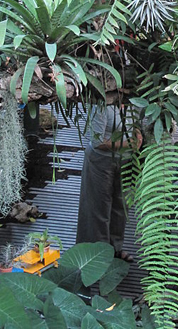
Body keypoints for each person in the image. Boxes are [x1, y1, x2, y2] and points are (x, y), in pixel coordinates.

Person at [76, 97, 142, 262]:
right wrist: (128, 144)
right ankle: (96, 256)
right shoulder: (101, 103)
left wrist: (139, 134)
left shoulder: (135, 100)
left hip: (125, 160)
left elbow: (137, 123)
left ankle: (115, 250)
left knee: (121, 205)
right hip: (101, 160)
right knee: (99, 208)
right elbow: (98, 142)